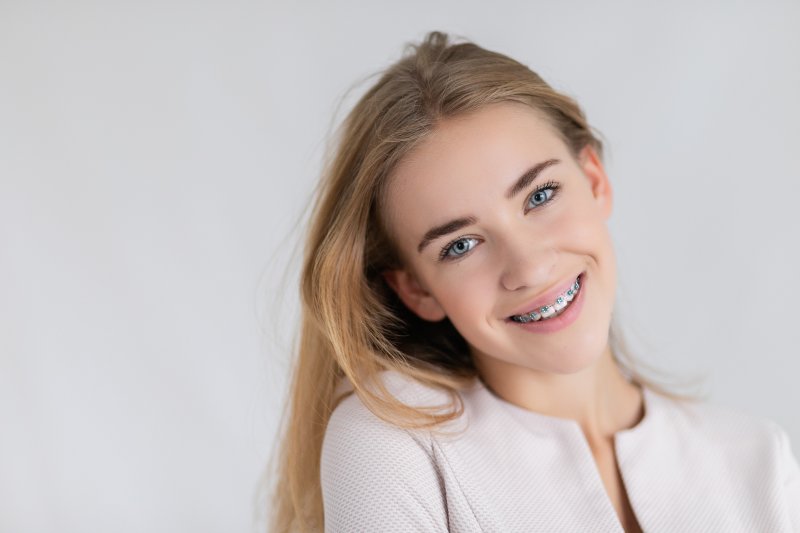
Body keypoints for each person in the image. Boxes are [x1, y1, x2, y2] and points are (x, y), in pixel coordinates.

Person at [269, 31, 800, 532]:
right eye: (460, 245)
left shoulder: (754, 458)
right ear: (417, 290)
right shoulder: (392, 442)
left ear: (593, 180)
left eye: (539, 196)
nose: (528, 268)